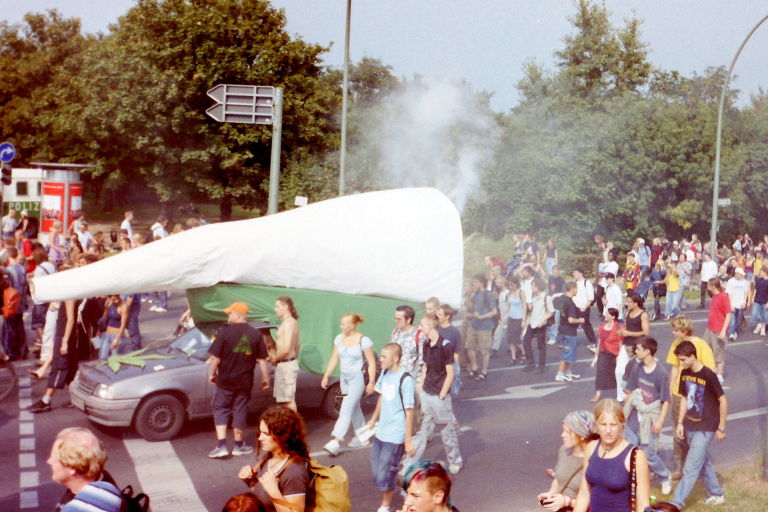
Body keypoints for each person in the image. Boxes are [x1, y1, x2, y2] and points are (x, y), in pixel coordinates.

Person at [668, 340, 727, 509]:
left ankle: (675, 503)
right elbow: (685, 398)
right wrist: (680, 423)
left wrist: (721, 427)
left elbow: (722, 400)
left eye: (683, 360)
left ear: (692, 356)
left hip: (706, 427)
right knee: (703, 461)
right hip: (690, 425)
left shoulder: (709, 375)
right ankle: (716, 493)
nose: (681, 363)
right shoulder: (684, 373)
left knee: (691, 467)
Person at [207, 302, 270, 458]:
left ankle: (221, 445)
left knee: (221, 408)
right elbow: (263, 359)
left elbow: (215, 358)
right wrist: (266, 377)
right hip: (244, 381)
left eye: (230, 313)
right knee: (240, 410)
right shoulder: (255, 334)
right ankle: (238, 445)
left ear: (238, 314)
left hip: (225, 381)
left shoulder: (224, 333)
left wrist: (212, 374)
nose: (228, 315)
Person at [402, 314, 462, 475]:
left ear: (430, 327)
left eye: (422, 325)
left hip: (439, 397)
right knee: (421, 429)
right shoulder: (426, 344)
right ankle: (410, 462)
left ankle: (455, 461)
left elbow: (451, 374)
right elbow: (425, 367)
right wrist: (421, 383)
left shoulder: (446, 346)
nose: (420, 328)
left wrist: (442, 394)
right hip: (426, 394)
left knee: (446, 432)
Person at [573, 399, 650, 512]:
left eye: (613, 425)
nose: (608, 430)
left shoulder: (636, 456)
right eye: (603, 424)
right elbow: (584, 494)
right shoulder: (591, 448)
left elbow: (643, 504)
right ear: (597, 425)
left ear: (621, 425)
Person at [665, 315, 716, 481]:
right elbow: (674, 367)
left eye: (676, 330)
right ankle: (679, 467)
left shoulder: (700, 345)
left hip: (695, 395)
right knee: (677, 432)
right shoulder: (676, 344)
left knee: (694, 432)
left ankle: (697, 465)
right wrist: (670, 389)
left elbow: (709, 371)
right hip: (679, 395)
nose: (673, 333)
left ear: (685, 331)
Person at [366, 343, 416, 512]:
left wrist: (408, 441)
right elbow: (381, 397)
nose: (380, 359)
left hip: (396, 435)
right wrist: (373, 419)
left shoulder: (406, 380)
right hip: (381, 433)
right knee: (378, 472)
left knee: (385, 475)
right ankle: (411, 485)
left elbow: (410, 412)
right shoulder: (386, 373)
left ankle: (385, 507)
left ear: (395, 358)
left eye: (384, 357)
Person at [321, 313, 377, 456]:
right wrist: (326, 376)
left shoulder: (363, 340)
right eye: (341, 324)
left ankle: (336, 441)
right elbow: (334, 359)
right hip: (344, 379)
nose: (342, 326)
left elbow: (371, 363)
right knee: (354, 407)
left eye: (344, 324)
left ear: (353, 325)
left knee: (346, 408)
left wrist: (371, 381)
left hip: (357, 379)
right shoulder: (339, 339)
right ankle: (363, 437)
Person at [622, 337, 673, 496]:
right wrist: (630, 398)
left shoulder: (661, 373)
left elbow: (666, 400)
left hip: (649, 420)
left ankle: (665, 475)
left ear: (647, 351)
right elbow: (630, 388)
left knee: (648, 453)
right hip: (634, 418)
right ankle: (638, 478)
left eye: (637, 348)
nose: (635, 351)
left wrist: (659, 422)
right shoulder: (637, 367)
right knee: (630, 449)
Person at [237, 406, 310, 512]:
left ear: (282, 435)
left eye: (266, 434)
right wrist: (251, 481)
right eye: (260, 432)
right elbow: (263, 496)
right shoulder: (269, 457)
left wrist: (273, 491)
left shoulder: (294, 471)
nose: (260, 438)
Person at [47, 427, 122, 512]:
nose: (49, 461)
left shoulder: (86, 508)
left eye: (54, 458)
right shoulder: (104, 484)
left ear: (71, 468)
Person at [537, 410, 596, 511]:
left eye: (568, 432)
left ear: (581, 435)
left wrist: (567, 501)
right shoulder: (564, 451)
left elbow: (599, 502)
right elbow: (558, 479)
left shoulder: (595, 459)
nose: (562, 435)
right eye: (563, 431)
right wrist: (551, 494)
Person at [616, 293, 650, 400]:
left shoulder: (643, 315)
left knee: (636, 372)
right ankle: (621, 396)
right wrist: (622, 332)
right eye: (627, 301)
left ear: (636, 303)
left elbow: (646, 332)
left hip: (637, 346)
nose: (627, 303)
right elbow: (625, 327)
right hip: (626, 345)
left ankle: (637, 395)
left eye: (630, 302)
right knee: (619, 371)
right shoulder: (628, 312)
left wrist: (629, 333)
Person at [464, 274, 497, 381]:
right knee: (470, 347)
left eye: (476, 282)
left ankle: (484, 371)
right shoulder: (475, 294)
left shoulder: (488, 294)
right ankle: (475, 366)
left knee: (484, 351)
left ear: (482, 283)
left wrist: (482, 316)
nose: (474, 284)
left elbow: (494, 312)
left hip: (485, 326)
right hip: (474, 325)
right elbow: (470, 307)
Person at [272, 296, 301, 412]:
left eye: (278, 306)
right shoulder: (289, 323)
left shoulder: (289, 323)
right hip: (286, 363)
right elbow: (297, 345)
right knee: (283, 400)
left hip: (286, 364)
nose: (275, 309)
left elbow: (286, 348)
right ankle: (287, 426)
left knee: (288, 400)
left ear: (286, 307)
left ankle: (295, 428)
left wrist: (275, 358)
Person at [702, 278, 731, 382]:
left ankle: (719, 374)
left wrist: (723, 331)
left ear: (713, 286)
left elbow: (728, 314)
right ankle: (712, 370)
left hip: (718, 329)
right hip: (710, 328)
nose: (707, 286)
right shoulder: (715, 296)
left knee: (718, 352)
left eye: (708, 285)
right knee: (705, 348)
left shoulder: (723, 297)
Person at [591, 308, 622, 403]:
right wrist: (596, 353)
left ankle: (620, 392)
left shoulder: (618, 327)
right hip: (603, 353)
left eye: (608, 314)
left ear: (613, 316)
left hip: (614, 354)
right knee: (600, 372)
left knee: (616, 374)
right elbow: (599, 340)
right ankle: (598, 394)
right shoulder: (602, 326)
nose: (606, 315)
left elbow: (620, 343)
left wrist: (619, 356)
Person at [523, 277, 553, 373]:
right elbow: (532, 310)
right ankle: (530, 363)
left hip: (541, 324)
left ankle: (541, 367)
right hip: (532, 323)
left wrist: (542, 320)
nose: (532, 287)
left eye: (533, 285)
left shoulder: (546, 297)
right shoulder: (533, 296)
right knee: (526, 341)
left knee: (541, 346)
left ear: (539, 286)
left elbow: (551, 312)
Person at [556, 282, 583, 383]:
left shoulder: (562, 299)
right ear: (572, 289)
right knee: (567, 353)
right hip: (569, 332)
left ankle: (567, 372)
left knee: (569, 353)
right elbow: (571, 320)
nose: (577, 291)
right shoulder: (570, 303)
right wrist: (580, 320)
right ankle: (560, 373)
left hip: (562, 330)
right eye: (576, 288)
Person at [392, 305, 422, 382]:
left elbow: (423, 362)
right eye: (395, 318)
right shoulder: (395, 332)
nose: (395, 321)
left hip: (411, 380)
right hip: (395, 378)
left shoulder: (420, 335)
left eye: (399, 319)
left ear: (408, 320)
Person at [92, 295, 128, 360]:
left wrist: (117, 339)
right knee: (102, 358)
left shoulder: (123, 306)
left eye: (116, 299)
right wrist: (99, 331)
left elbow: (123, 324)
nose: (115, 301)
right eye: (113, 300)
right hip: (107, 334)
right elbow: (104, 317)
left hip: (116, 335)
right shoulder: (109, 303)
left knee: (116, 359)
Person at [572, 268, 597, 351]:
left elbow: (591, 297)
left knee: (586, 326)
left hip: (583, 308)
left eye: (575, 273)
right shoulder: (575, 283)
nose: (573, 274)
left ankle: (593, 342)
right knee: (572, 325)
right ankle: (571, 342)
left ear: (580, 273)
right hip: (575, 307)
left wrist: (584, 308)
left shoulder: (587, 283)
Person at [504, 276, 526, 365]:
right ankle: (513, 358)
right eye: (509, 285)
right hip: (511, 318)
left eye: (512, 284)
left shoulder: (521, 292)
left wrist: (524, 319)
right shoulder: (509, 293)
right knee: (510, 339)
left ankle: (524, 353)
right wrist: (503, 315)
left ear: (516, 284)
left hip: (518, 318)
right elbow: (508, 306)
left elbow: (524, 306)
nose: (510, 286)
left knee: (516, 339)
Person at [725, 267, 750, 340]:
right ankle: (732, 334)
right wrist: (731, 304)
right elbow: (729, 294)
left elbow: (746, 292)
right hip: (733, 304)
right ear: (736, 274)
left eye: (742, 275)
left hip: (741, 304)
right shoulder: (730, 281)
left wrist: (745, 301)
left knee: (738, 320)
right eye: (741, 274)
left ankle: (735, 331)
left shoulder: (744, 282)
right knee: (732, 320)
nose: (742, 276)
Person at [749, 266, 768, 336]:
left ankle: (762, 328)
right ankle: (759, 325)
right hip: (757, 300)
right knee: (755, 314)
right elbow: (756, 289)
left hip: (765, 301)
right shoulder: (759, 280)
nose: (760, 273)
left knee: (765, 315)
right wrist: (752, 298)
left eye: (761, 272)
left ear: (765, 273)